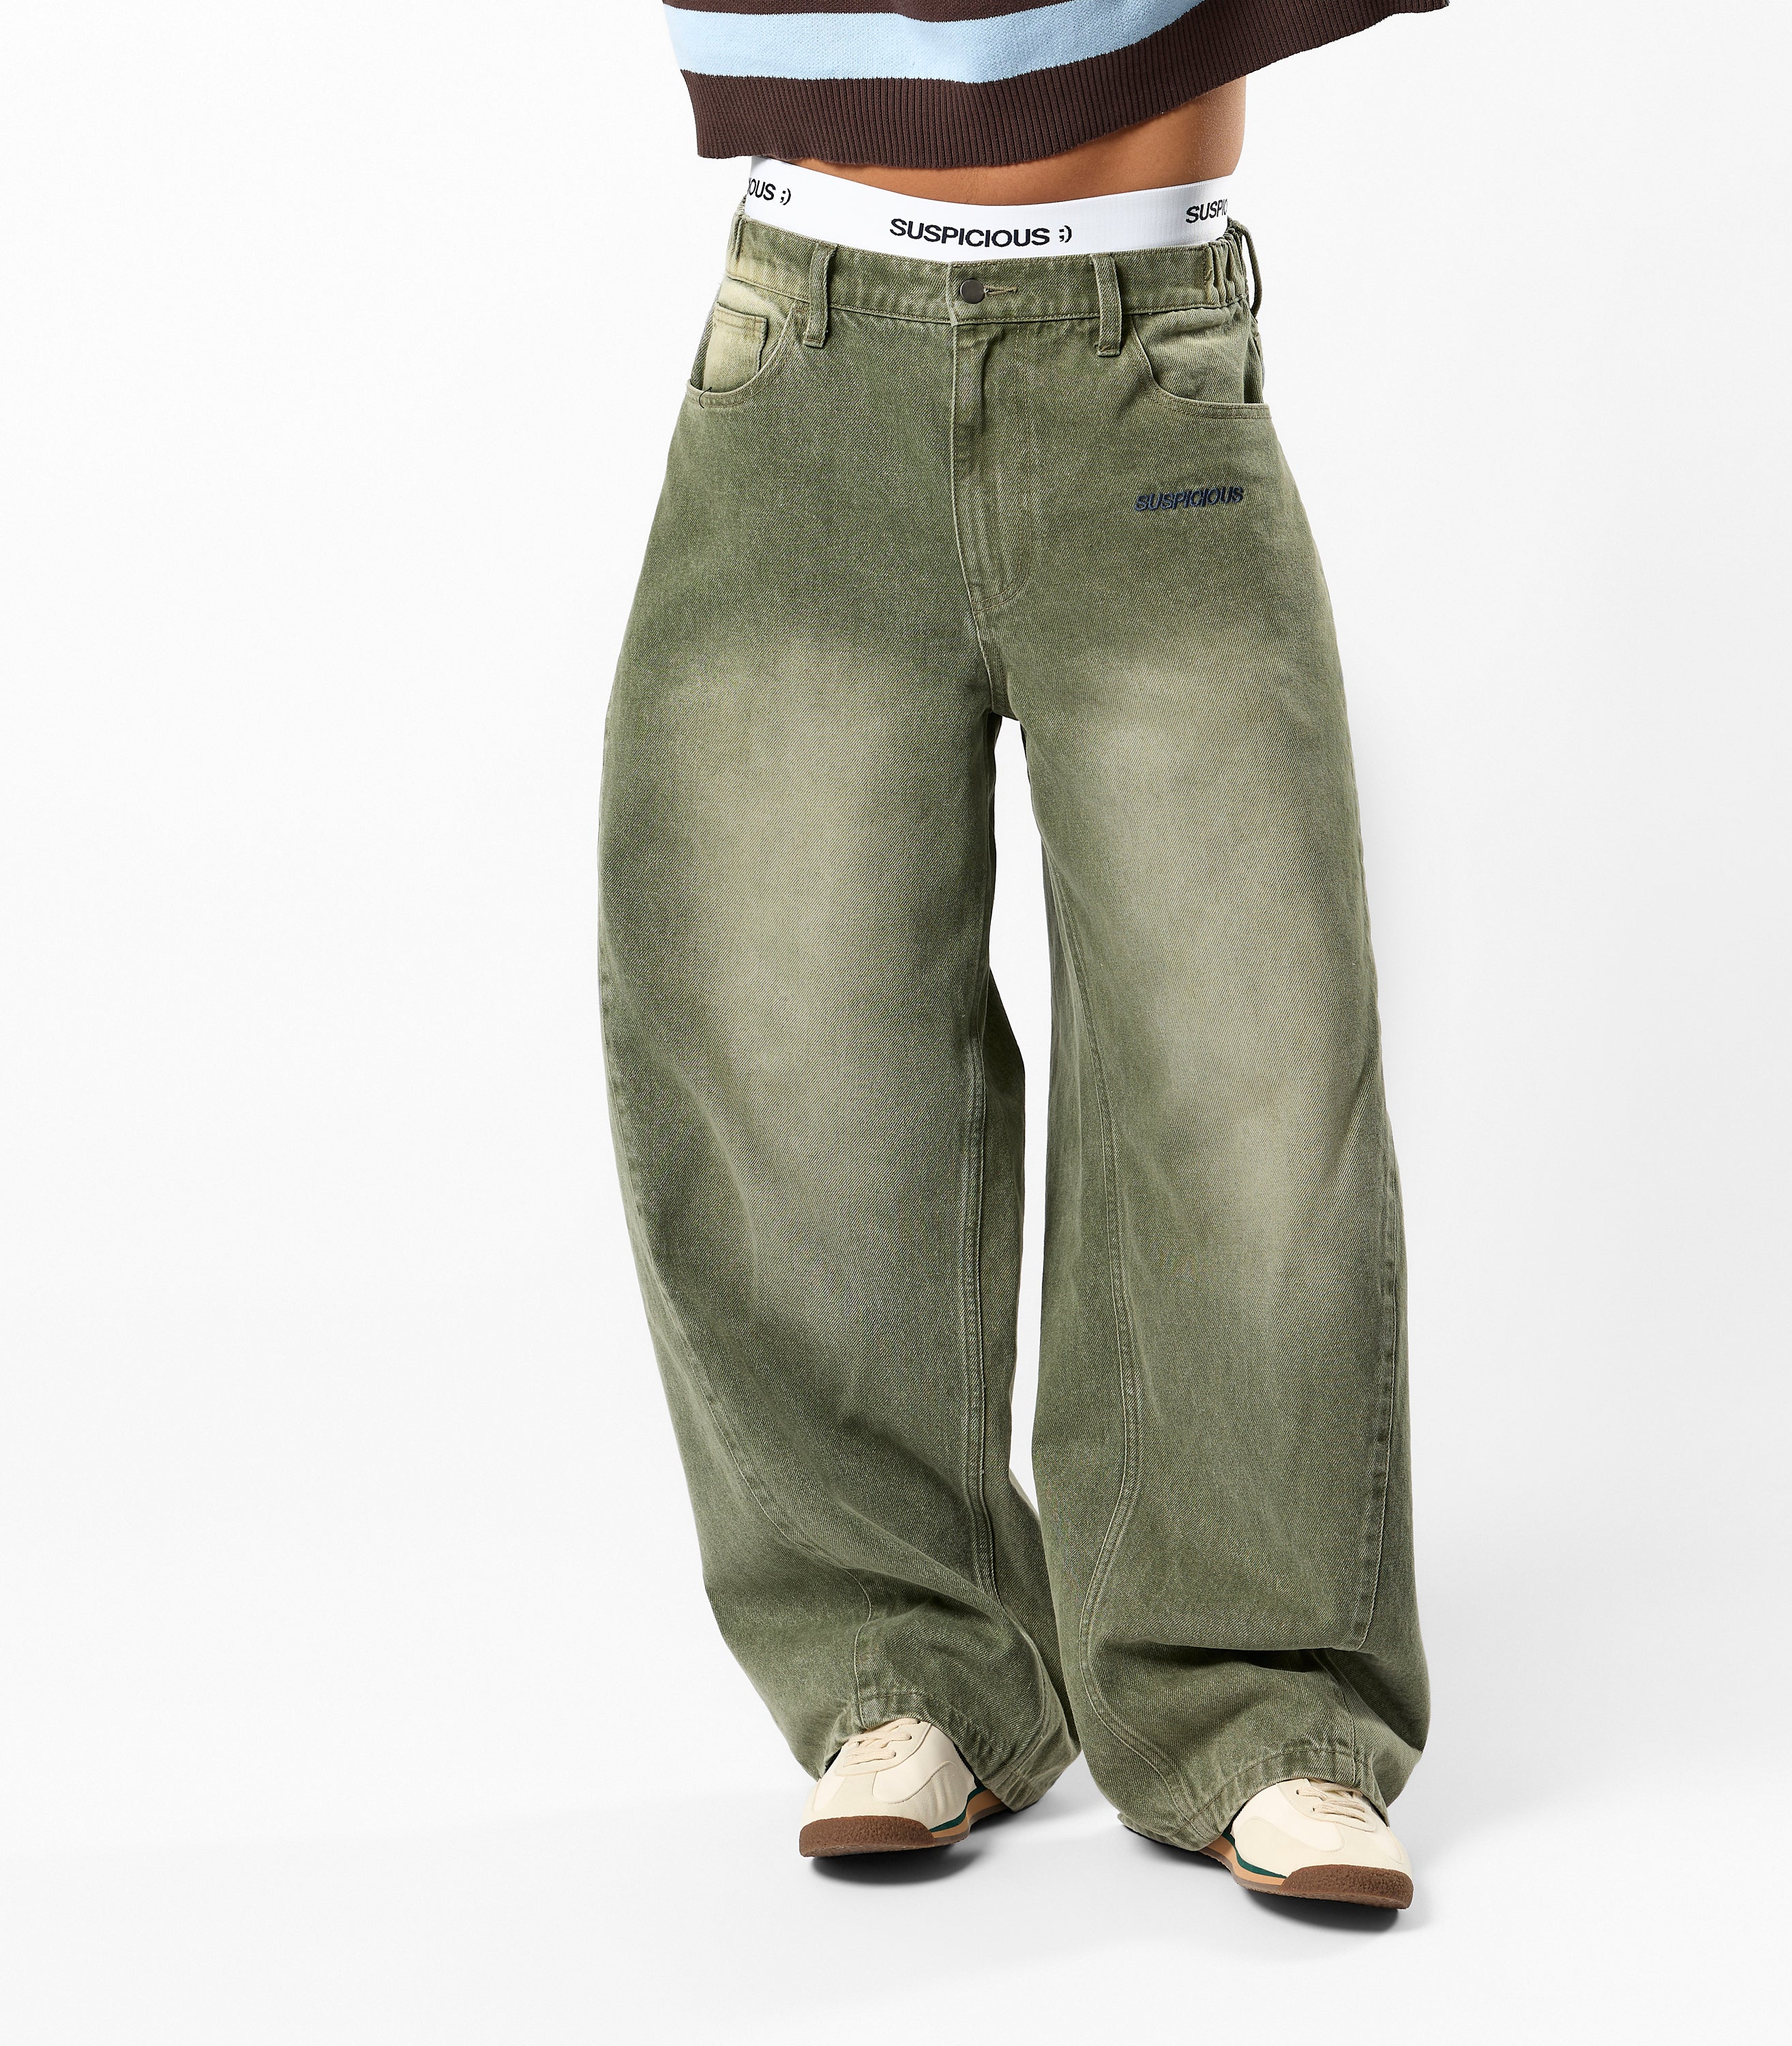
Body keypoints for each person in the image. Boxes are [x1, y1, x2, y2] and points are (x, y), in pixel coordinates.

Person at [599, 0, 1442, 1909]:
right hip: (806, 354)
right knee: (781, 1037)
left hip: (1144, 354)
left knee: (1247, 1057)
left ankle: (1260, 1708)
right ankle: (906, 1670)